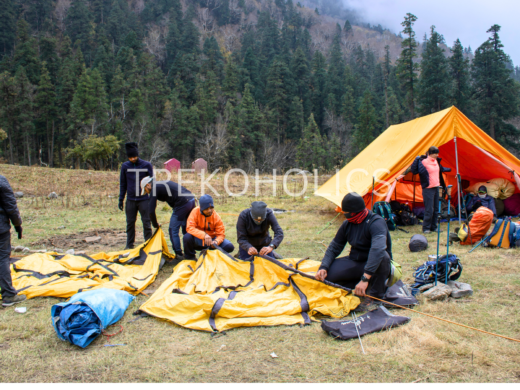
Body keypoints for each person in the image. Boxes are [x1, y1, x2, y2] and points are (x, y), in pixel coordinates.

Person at [315, 192, 392, 312]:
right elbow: (335, 246)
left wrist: (365, 279)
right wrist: (323, 266)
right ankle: (360, 286)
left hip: (376, 266)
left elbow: (378, 250)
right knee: (328, 277)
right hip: (356, 261)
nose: (344, 216)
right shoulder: (348, 224)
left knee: (383, 257)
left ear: (354, 212)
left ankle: (375, 297)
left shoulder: (376, 222)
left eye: (346, 214)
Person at [140, 177, 195, 259]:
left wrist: (155, 224)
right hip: (191, 200)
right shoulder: (160, 184)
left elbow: (151, 210)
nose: (147, 193)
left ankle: (179, 255)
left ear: (148, 185)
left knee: (173, 229)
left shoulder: (155, 188)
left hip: (183, 203)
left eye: (145, 190)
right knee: (186, 229)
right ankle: (190, 255)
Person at [118, 142, 153, 249]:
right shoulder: (125, 166)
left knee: (147, 223)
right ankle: (129, 245)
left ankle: (149, 245)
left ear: (138, 155)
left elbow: (152, 183)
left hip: (143, 199)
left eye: (134, 156)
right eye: (130, 157)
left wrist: (152, 198)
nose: (132, 159)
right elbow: (123, 184)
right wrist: (121, 199)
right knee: (130, 223)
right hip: (131, 200)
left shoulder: (146, 165)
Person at [411, 146, 451, 234]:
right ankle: (426, 228)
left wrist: (450, 169)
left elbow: (440, 169)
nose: (437, 155)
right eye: (436, 153)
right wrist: (416, 159)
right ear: (431, 153)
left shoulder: (436, 161)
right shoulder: (424, 162)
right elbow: (414, 170)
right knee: (429, 209)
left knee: (436, 208)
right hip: (428, 189)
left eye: (437, 153)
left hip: (436, 187)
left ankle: (434, 227)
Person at [0, 175, 26, 307]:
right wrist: (17, 225)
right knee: (2, 259)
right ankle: (9, 295)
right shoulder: (1, 181)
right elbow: (11, 206)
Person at [183, 195, 235, 260]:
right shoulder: (195, 212)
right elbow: (190, 228)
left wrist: (216, 241)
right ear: (201, 208)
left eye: (211, 208)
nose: (209, 210)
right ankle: (190, 258)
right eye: (206, 209)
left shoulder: (216, 217)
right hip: (198, 240)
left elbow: (221, 234)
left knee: (229, 246)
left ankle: (210, 255)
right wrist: (204, 235)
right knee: (187, 237)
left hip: (211, 241)